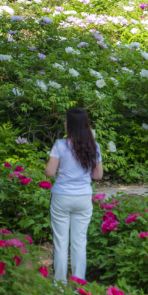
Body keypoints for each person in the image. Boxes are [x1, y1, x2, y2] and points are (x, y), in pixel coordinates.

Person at [44, 108, 103, 282]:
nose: (64, 122)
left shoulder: (60, 145)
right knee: (79, 242)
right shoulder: (93, 146)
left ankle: (60, 285)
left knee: (61, 242)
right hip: (83, 197)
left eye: (65, 120)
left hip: (61, 196)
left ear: (70, 125)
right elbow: (98, 175)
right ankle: (79, 285)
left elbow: (49, 172)